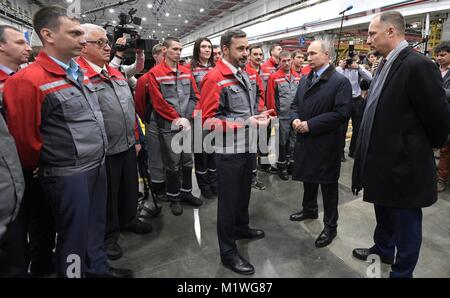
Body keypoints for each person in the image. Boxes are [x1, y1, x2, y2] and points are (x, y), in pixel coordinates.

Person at [3, 6, 132, 278]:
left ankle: (98, 270)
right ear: (48, 35)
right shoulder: (28, 81)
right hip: (68, 174)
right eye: (74, 34)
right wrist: (45, 164)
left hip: (96, 165)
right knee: (73, 238)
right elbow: (25, 140)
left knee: (94, 228)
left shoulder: (78, 72)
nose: (82, 40)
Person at [351, 11, 450, 278]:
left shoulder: (417, 65)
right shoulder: (386, 63)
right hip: (384, 160)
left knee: (406, 222)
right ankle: (383, 249)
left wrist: (414, 147)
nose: (369, 40)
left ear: (391, 32)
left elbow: (439, 118)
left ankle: (402, 272)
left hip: (405, 164)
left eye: (373, 34)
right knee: (383, 211)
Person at [77, 24, 152, 261]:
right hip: (103, 150)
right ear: (83, 46)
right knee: (106, 197)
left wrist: (136, 137)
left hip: (128, 144)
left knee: (129, 188)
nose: (107, 46)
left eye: (107, 42)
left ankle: (129, 219)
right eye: (100, 43)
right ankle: (109, 235)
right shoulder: (79, 75)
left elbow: (127, 107)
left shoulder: (114, 72)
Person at [201, 29, 270, 275]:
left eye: (247, 48)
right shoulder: (214, 78)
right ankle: (228, 252)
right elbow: (208, 121)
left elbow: (246, 110)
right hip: (229, 151)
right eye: (240, 49)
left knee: (243, 195)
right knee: (228, 203)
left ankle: (241, 227)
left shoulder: (245, 75)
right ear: (226, 49)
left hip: (247, 146)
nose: (246, 53)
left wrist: (257, 116)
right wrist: (246, 123)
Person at [289, 39, 352, 248]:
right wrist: (295, 119)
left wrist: (311, 125)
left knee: (328, 185)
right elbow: (295, 105)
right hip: (306, 140)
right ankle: (309, 209)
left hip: (326, 143)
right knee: (308, 178)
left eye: (313, 53)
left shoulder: (339, 81)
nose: (309, 57)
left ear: (327, 55)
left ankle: (330, 226)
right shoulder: (306, 78)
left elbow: (341, 113)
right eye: (308, 54)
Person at [147, 37, 202, 216]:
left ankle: (187, 192)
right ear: (165, 50)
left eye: (180, 49)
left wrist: (186, 118)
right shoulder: (155, 73)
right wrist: (176, 119)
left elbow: (195, 96)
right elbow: (158, 102)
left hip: (186, 125)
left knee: (187, 160)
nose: (178, 53)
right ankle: (174, 197)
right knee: (172, 163)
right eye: (175, 49)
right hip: (168, 126)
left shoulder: (187, 72)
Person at [0, 25, 27, 277]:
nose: (28, 47)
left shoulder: (23, 79)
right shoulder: (7, 84)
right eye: (20, 42)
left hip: (25, 170)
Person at [135, 44, 167, 200]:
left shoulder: (176, 76)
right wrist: (148, 120)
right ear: (156, 56)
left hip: (173, 124)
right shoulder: (144, 79)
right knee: (155, 155)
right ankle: (159, 187)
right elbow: (140, 104)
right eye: (164, 54)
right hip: (153, 122)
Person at [189, 37, 217, 199]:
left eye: (209, 47)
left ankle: (214, 181)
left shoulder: (215, 68)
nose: (207, 50)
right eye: (203, 47)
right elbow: (190, 94)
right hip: (199, 116)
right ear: (197, 49)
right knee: (201, 153)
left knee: (213, 151)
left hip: (215, 115)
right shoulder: (190, 69)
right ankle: (204, 184)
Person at [266, 51, 300, 180]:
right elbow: (270, 97)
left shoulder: (297, 77)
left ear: (292, 60)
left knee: (293, 141)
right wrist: (273, 114)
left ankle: (291, 164)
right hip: (282, 116)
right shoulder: (274, 77)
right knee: (282, 143)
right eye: (283, 61)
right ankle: (282, 167)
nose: (286, 63)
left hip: (294, 115)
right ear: (279, 61)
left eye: (288, 60)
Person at [336, 55, 372, 160]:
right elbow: (334, 77)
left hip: (357, 100)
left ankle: (353, 150)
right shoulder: (340, 70)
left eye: (350, 61)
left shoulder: (357, 69)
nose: (349, 63)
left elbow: (370, 78)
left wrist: (359, 67)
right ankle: (340, 152)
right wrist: (341, 67)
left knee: (357, 128)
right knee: (342, 128)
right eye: (347, 61)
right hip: (344, 101)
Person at [245, 43, 268, 190]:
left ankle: (253, 178)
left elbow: (261, 92)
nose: (259, 57)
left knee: (254, 147)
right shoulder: (245, 71)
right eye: (255, 54)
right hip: (241, 118)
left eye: (260, 54)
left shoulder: (259, 72)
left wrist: (259, 110)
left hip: (256, 115)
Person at [434, 41, 450, 192]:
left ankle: (441, 179)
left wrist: (434, 91)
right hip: (431, 114)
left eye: (443, 55)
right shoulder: (432, 69)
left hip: (447, 115)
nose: (439, 58)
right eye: (438, 55)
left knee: (445, 150)